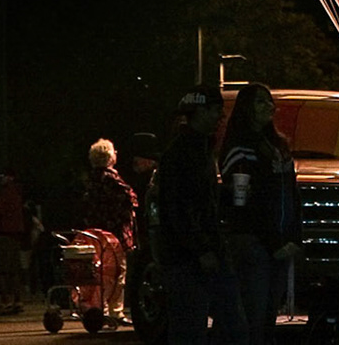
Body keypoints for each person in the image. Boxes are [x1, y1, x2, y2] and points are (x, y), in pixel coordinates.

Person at [157, 85, 245, 344]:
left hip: (201, 250)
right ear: (200, 111)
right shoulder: (183, 154)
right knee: (195, 327)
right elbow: (178, 208)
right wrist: (201, 248)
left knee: (218, 324)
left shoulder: (200, 150)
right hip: (190, 257)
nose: (221, 117)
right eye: (216, 110)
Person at [218, 85, 301, 345]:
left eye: (270, 102)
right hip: (254, 242)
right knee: (253, 316)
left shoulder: (278, 145)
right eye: (260, 102)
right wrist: (274, 242)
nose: (269, 107)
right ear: (247, 108)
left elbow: (291, 193)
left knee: (267, 317)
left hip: (280, 243)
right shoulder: (239, 149)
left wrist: (294, 236)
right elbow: (248, 202)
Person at [83, 139, 141, 324]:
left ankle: (99, 308)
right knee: (118, 272)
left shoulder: (91, 179)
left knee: (100, 271)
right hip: (114, 233)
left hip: (96, 231)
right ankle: (116, 311)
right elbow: (130, 198)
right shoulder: (112, 178)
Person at [0, 171, 30, 314]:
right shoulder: (17, 192)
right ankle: (17, 300)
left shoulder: (5, 192)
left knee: (2, 269)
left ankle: (6, 301)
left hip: (4, 233)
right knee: (14, 268)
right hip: (15, 235)